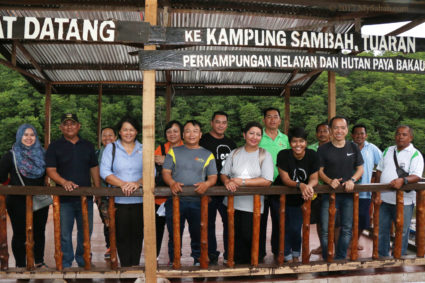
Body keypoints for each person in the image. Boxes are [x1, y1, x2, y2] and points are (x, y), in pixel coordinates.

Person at [46, 113, 100, 268]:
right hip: (64, 199)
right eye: (66, 124)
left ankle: (84, 261)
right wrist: (64, 182)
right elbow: (50, 170)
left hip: (86, 198)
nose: (69, 126)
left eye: (73, 123)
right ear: (61, 127)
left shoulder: (88, 145)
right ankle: (66, 263)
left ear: (79, 126)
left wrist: (97, 190)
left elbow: (94, 168)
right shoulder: (54, 146)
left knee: (86, 232)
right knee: (64, 234)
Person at [162, 120, 217, 266]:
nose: (191, 134)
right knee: (174, 235)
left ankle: (198, 261)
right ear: (183, 134)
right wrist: (172, 183)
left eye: (195, 131)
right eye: (187, 131)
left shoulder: (207, 154)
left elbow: (213, 177)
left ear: (200, 134)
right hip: (175, 201)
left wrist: (207, 184)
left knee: (198, 234)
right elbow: (166, 172)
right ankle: (175, 261)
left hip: (198, 202)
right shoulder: (173, 151)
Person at [221, 121, 274, 264]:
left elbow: (267, 180)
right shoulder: (235, 153)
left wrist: (242, 182)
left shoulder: (264, 155)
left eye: (258, 134)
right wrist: (227, 182)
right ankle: (236, 264)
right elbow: (224, 174)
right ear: (244, 135)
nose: (254, 137)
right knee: (234, 235)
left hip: (254, 205)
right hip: (233, 204)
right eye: (251, 133)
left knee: (250, 235)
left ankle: (251, 265)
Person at [0, 124, 49, 268]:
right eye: (25, 134)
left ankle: (39, 261)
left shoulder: (43, 154)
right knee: (20, 233)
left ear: (36, 137)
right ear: (19, 136)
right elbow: (1, 176)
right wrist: (12, 184)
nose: (29, 138)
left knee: (39, 232)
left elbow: (50, 171)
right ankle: (21, 265)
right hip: (17, 201)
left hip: (39, 199)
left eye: (32, 135)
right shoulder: (11, 155)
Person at [100, 117, 144, 267]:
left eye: (131, 129)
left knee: (138, 236)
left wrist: (137, 184)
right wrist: (123, 184)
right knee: (121, 236)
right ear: (119, 131)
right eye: (125, 129)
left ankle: (135, 267)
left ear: (137, 131)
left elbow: (151, 172)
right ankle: (126, 269)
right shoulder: (111, 148)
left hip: (140, 201)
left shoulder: (143, 148)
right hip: (118, 201)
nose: (128, 133)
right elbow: (104, 171)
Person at [317, 116, 364, 260]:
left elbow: (360, 168)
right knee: (325, 230)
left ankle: (340, 259)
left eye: (342, 128)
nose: (339, 131)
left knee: (347, 229)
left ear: (347, 130)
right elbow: (319, 170)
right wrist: (329, 181)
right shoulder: (323, 148)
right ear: (331, 130)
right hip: (328, 194)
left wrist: (353, 180)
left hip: (348, 195)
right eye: (336, 127)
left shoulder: (353, 147)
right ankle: (327, 259)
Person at [376, 125, 424, 257]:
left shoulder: (415, 154)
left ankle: (398, 256)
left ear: (411, 137)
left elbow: (417, 176)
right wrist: (377, 192)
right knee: (382, 229)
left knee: (402, 230)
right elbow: (379, 171)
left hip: (405, 201)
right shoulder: (388, 150)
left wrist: (403, 180)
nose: (400, 137)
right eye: (398, 134)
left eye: (404, 134)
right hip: (384, 199)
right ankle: (382, 256)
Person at [277, 127, 319, 262]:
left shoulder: (312, 155)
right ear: (290, 143)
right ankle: (287, 256)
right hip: (281, 198)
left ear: (306, 142)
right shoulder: (283, 154)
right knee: (284, 228)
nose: (298, 145)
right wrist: (299, 185)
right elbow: (285, 179)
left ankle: (296, 254)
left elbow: (314, 178)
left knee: (295, 228)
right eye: (294, 141)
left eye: (301, 141)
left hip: (300, 198)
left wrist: (308, 187)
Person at [199, 111, 236, 264]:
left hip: (227, 190)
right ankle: (211, 255)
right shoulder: (202, 140)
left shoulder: (231, 144)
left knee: (230, 223)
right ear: (211, 123)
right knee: (208, 224)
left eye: (224, 122)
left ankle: (230, 254)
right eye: (218, 122)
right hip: (208, 190)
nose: (221, 125)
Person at [258, 107, 290, 260]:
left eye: (275, 116)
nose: (272, 119)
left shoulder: (285, 139)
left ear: (280, 120)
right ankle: (258, 252)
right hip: (261, 185)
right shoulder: (258, 137)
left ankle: (279, 251)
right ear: (264, 120)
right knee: (260, 220)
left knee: (279, 220)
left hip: (280, 186)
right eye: (269, 116)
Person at [154, 120, 184, 258]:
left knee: (176, 230)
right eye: (169, 131)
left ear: (181, 133)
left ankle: (175, 257)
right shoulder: (160, 147)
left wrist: (165, 159)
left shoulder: (187, 147)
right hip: (160, 197)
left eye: (175, 131)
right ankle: (154, 257)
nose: (172, 134)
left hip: (180, 196)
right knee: (156, 230)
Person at [351, 124, 382, 250]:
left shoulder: (372, 149)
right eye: (357, 133)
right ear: (352, 135)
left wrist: (378, 186)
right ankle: (344, 241)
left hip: (365, 192)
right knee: (346, 218)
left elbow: (382, 165)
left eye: (362, 133)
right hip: (347, 191)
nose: (359, 136)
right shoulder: (347, 147)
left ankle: (355, 240)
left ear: (366, 135)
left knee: (363, 219)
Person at [308, 122, 330, 255]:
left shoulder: (335, 147)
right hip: (315, 190)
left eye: (325, 131)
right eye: (320, 131)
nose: (322, 134)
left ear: (330, 133)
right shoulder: (310, 149)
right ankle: (323, 246)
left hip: (331, 189)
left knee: (335, 221)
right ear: (316, 134)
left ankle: (334, 247)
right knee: (320, 220)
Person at [96, 127, 117, 260]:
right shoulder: (97, 153)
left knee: (121, 221)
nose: (107, 138)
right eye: (104, 135)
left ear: (115, 137)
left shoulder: (121, 152)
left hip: (120, 193)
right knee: (107, 222)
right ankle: (110, 246)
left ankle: (120, 246)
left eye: (110, 135)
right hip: (103, 193)